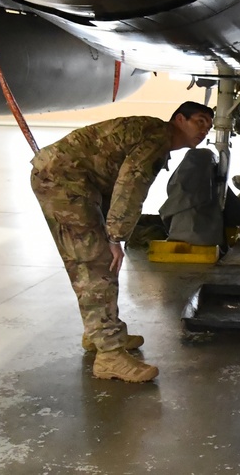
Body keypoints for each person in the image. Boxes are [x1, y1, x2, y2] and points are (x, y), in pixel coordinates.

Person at [30, 101, 214, 383]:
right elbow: (131, 186)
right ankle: (109, 355)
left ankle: (99, 331)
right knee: (96, 262)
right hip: (64, 180)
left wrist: (113, 231)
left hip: (79, 180)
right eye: (199, 121)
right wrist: (116, 236)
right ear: (179, 119)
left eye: (208, 125)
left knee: (96, 259)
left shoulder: (157, 136)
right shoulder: (156, 139)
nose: (205, 129)